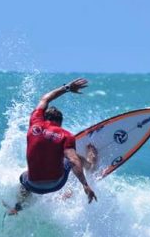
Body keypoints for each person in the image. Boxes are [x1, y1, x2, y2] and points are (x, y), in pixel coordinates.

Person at [7, 78, 98, 215]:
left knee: (23, 177)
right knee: (69, 158)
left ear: (44, 117)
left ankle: (18, 207)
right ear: (60, 122)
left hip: (33, 184)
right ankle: (90, 165)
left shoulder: (34, 123)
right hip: (56, 184)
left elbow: (45, 99)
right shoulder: (65, 135)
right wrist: (85, 185)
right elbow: (73, 160)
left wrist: (67, 87)